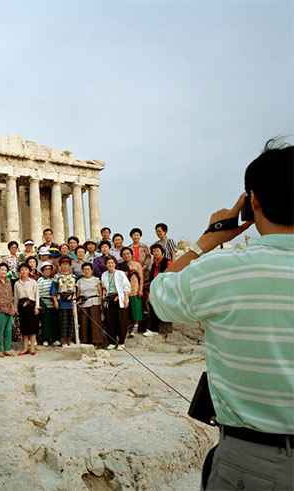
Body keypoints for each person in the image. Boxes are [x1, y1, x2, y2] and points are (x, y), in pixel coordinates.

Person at [149, 141, 293, 491]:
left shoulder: (223, 271)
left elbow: (160, 294)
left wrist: (205, 242)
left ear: (253, 202)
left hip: (255, 461)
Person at [100, 256, 131, 350]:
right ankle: (112, 342)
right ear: (106, 265)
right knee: (110, 321)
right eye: (108, 263)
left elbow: (126, 286)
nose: (110, 265)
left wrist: (126, 299)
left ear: (115, 264)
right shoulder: (104, 275)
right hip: (109, 299)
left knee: (121, 321)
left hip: (120, 299)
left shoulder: (120, 273)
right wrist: (104, 292)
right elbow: (104, 286)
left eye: (112, 263)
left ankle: (121, 342)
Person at [76, 262, 104, 348]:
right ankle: (85, 341)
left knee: (95, 322)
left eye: (88, 269)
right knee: (84, 322)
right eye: (85, 269)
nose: (87, 271)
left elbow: (100, 293)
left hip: (94, 301)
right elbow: (78, 294)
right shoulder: (80, 281)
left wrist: (101, 304)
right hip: (84, 302)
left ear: (91, 270)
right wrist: (77, 305)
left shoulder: (96, 280)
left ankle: (96, 341)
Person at [14, 262, 40, 355]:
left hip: (31, 306)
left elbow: (36, 295)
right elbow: (16, 297)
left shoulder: (33, 282)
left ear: (29, 271)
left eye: (26, 269)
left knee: (32, 327)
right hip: (22, 307)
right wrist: (15, 309)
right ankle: (25, 348)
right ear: (19, 272)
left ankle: (32, 347)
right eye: (22, 270)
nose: (24, 271)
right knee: (24, 327)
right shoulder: (17, 283)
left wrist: (37, 307)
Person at [51, 256, 77, 347]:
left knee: (71, 321)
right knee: (63, 321)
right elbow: (53, 291)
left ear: (69, 266)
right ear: (60, 265)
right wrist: (55, 301)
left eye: (67, 264)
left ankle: (70, 339)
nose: (65, 266)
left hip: (71, 302)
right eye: (63, 264)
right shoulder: (56, 277)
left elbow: (76, 289)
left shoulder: (73, 277)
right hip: (61, 301)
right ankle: (63, 340)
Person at [146, 244, 171, 336]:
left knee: (155, 304)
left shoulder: (167, 262)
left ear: (161, 251)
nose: (156, 253)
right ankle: (154, 328)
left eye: (157, 251)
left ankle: (154, 328)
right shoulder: (153, 264)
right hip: (155, 288)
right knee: (151, 304)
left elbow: (171, 275)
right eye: (154, 251)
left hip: (164, 289)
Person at [121, 247, 144, 336]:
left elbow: (141, 278)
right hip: (125, 291)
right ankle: (129, 326)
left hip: (135, 288)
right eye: (124, 254)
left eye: (128, 254)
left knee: (136, 308)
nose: (126, 256)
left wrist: (141, 289)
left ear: (131, 254)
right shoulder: (121, 266)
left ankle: (136, 326)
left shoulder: (137, 265)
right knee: (127, 309)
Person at [37, 261, 59, 347]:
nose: (48, 271)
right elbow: (39, 293)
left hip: (53, 303)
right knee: (45, 323)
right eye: (46, 269)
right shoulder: (40, 280)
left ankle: (55, 339)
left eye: (49, 269)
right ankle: (45, 339)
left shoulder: (53, 280)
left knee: (54, 322)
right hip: (45, 303)